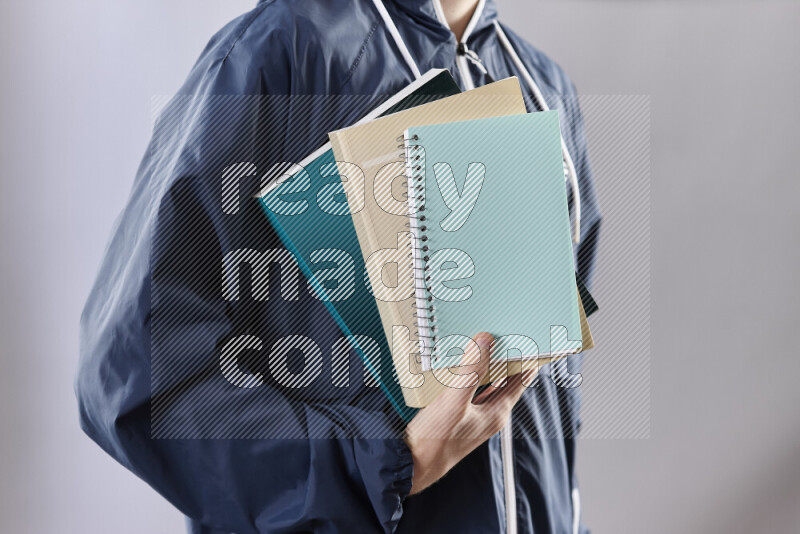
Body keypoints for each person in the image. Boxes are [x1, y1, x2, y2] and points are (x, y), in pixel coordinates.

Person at [76, 0, 601, 532]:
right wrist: (386, 465)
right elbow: (137, 372)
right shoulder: (281, 50)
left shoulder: (546, 87)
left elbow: (556, 393)